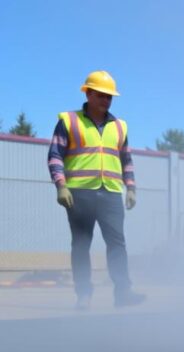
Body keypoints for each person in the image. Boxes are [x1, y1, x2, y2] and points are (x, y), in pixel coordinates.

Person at [48, 71, 145, 310]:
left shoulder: (120, 126)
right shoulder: (69, 121)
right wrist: (61, 185)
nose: (106, 100)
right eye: (101, 95)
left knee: (117, 244)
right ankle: (84, 295)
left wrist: (130, 187)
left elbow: (126, 159)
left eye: (110, 96)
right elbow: (54, 155)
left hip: (111, 192)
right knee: (81, 245)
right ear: (88, 93)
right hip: (79, 194)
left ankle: (123, 292)